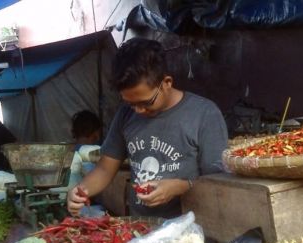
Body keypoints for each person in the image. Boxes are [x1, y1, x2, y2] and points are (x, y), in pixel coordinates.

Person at [67, 38, 228, 218]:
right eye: (130, 103)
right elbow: (105, 168)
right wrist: (81, 189)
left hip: (190, 229)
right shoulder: (125, 115)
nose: (139, 110)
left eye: (146, 102)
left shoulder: (204, 114)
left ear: (166, 83)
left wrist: (181, 186)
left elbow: (219, 182)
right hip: (142, 226)